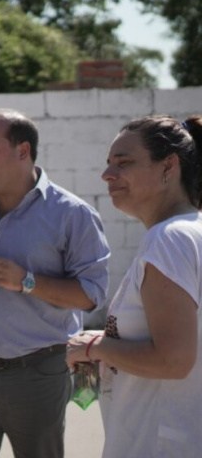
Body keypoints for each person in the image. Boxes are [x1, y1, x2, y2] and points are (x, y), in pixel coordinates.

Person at [0, 108, 110, 458]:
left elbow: (92, 295)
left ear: (23, 151)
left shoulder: (73, 214)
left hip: (37, 373)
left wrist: (27, 281)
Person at [67, 115, 202, 458]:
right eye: (108, 162)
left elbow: (174, 360)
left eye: (123, 162)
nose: (107, 174)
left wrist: (95, 348)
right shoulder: (190, 232)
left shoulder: (169, 239)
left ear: (168, 166)